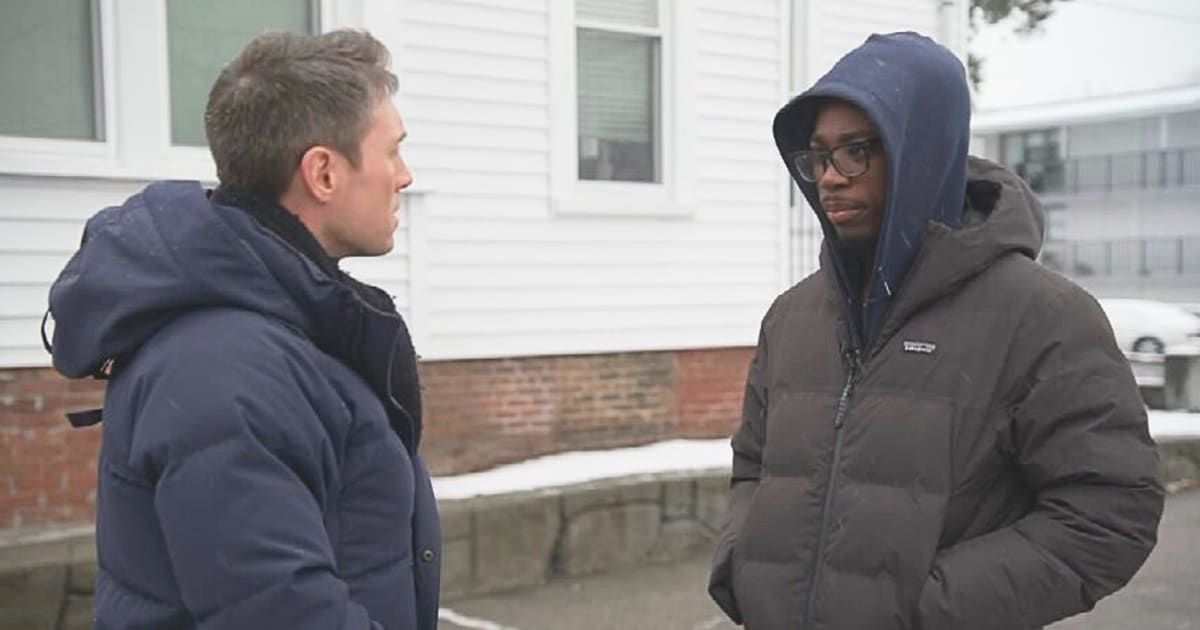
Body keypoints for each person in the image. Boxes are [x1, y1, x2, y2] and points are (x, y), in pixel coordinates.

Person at [708, 32, 1163, 630]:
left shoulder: (1043, 317)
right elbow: (754, 466)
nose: (831, 178)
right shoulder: (793, 318)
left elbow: (1109, 513)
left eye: (855, 151)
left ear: (917, 152)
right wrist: (743, 571)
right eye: (819, 156)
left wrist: (923, 611)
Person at [46, 30, 439, 630]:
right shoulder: (225, 368)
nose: (405, 176)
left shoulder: (287, 324)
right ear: (324, 173)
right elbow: (281, 613)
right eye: (393, 151)